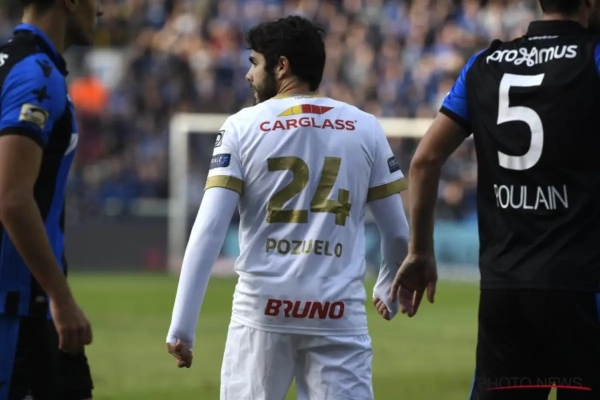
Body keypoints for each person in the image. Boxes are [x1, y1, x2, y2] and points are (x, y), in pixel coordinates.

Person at [166, 15, 409, 400]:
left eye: (254, 63)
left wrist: (182, 326)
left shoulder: (241, 126)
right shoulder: (366, 127)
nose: (249, 75)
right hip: (337, 316)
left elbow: (209, 230)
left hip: (262, 313)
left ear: (281, 66)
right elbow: (397, 233)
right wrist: (388, 284)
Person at [391, 0, 600, 399]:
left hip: (505, 293)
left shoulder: (484, 64)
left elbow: (424, 160)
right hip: (582, 289)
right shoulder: (593, 60)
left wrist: (419, 251)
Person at [0, 0, 103, 399]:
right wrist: (61, 298)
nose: (101, 11)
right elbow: (12, 198)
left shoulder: (11, 63)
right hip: (18, 304)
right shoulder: (37, 74)